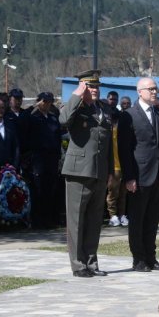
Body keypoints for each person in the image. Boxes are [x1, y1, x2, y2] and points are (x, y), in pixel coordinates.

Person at [59, 70, 113, 278]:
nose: (95, 90)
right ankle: (78, 264)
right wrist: (76, 95)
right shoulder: (74, 106)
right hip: (78, 171)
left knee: (94, 219)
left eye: (97, 86)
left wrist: (108, 170)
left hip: (99, 171)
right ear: (82, 87)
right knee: (76, 221)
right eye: (90, 86)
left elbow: (108, 143)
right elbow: (63, 120)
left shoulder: (104, 110)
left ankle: (91, 261)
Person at [118, 77, 159, 273]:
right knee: (138, 219)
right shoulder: (129, 115)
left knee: (152, 219)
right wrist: (129, 177)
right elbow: (124, 149)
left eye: (156, 88)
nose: (154, 92)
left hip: (158, 174)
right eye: (150, 89)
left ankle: (151, 256)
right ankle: (138, 259)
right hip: (139, 175)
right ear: (139, 91)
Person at [28, 92, 62, 229]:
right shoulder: (33, 117)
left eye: (49, 102)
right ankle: (37, 220)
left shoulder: (53, 118)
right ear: (39, 101)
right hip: (39, 158)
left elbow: (57, 137)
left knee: (50, 189)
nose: (47, 104)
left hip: (52, 158)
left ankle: (49, 218)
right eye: (44, 101)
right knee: (39, 189)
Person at [106, 110, 128, 227]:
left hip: (123, 166)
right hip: (114, 166)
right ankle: (112, 215)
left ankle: (122, 214)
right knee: (113, 192)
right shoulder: (110, 132)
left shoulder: (124, 132)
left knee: (123, 193)